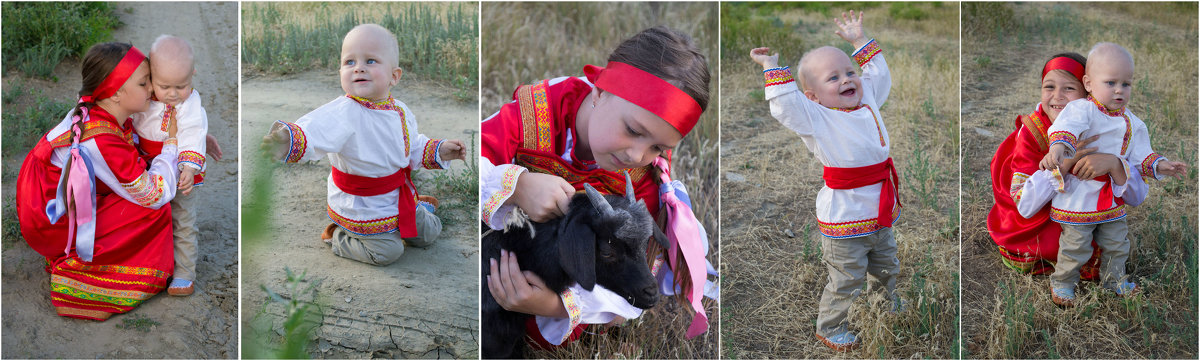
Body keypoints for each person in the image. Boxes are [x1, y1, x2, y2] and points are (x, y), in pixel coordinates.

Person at [481, 26, 715, 348]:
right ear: (599, 92)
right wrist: (517, 185)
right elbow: (468, 165)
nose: (636, 155)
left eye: (657, 147)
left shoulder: (644, 179)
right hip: (494, 271)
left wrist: (553, 305)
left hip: (556, 298)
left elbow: (641, 272)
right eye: (632, 129)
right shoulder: (534, 116)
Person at [750, 11, 897, 351]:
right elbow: (786, 105)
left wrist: (859, 41)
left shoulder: (868, 100)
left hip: (880, 207)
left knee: (887, 263)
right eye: (833, 78)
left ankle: (885, 303)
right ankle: (830, 327)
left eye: (849, 72)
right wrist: (772, 66)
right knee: (846, 278)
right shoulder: (815, 117)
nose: (848, 79)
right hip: (845, 216)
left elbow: (878, 73)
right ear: (812, 96)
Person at [262, 24, 466, 266]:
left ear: (394, 76)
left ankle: (410, 212)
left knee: (430, 232)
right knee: (388, 253)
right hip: (363, 205)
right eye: (349, 62)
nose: (358, 67)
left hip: (395, 194)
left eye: (370, 61)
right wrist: (285, 140)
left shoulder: (400, 110)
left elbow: (411, 147)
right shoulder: (344, 111)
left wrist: (440, 150)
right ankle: (339, 236)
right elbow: (314, 129)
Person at [16, 42, 179, 321]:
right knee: (153, 210)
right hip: (49, 218)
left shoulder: (102, 110)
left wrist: (195, 141)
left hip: (48, 203)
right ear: (116, 93)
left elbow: (147, 133)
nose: (152, 89)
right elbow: (155, 194)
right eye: (144, 83)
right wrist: (173, 146)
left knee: (143, 185)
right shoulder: (101, 138)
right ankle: (80, 278)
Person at [1019, 42, 1187, 306]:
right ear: (1089, 83)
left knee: (1118, 244)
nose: (1119, 90)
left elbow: (1141, 154)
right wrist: (1060, 147)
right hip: (1079, 196)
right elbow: (1066, 128)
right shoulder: (1082, 109)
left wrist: (1160, 165)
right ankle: (1063, 283)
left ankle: (1114, 280)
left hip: (1111, 200)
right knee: (1075, 246)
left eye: (1126, 84)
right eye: (1110, 83)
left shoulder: (1133, 122)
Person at [134, 34, 209, 296]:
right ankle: (155, 264)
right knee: (150, 216)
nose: (173, 94)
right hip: (146, 165)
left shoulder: (190, 104)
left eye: (182, 85)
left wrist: (188, 168)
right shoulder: (144, 95)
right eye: (164, 86)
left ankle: (185, 272)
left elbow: (193, 131)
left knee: (183, 220)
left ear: (193, 75)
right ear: (150, 76)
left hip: (179, 171)